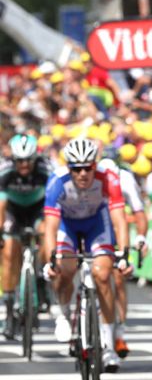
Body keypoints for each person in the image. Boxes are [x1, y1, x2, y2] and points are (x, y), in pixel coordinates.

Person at [43, 138, 131, 372]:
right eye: (76, 169)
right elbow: (50, 226)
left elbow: (119, 219)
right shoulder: (57, 181)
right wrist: (51, 259)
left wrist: (123, 254)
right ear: (69, 168)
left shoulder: (108, 178)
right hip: (68, 226)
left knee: (103, 276)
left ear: (95, 165)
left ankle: (109, 346)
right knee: (66, 269)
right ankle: (62, 314)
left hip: (96, 226)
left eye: (88, 167)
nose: (82, 174)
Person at [0, 134, 51, 339]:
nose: (23, 165)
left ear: (34, 159)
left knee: (47, 235)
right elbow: (1, 207)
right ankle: (11, 308)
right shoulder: (5, 172)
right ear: (13, 159)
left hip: (37, 210)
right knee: (10, 251)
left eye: (27, 160)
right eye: (19, 160)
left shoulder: (45, 170)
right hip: (13, 211)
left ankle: (42, 277)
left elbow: (53, 203)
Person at [98, 157, 149, 359]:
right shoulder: (95, 179)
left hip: (118, 225)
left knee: (119, 277)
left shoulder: (125, 179)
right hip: (98, 225)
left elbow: (138, 211)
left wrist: (141, 236)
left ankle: (119, 331)